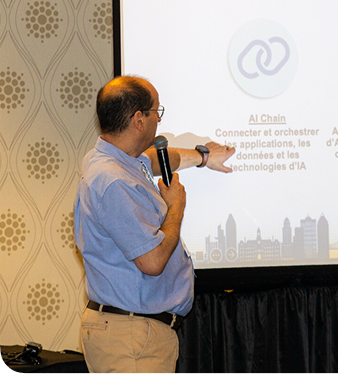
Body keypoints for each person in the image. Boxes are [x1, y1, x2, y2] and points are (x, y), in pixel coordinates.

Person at [74, 75, 234, 374]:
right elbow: (152, 261)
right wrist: (176, 207)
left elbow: (158, 159)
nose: (159, 119)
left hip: (134, 333)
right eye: (156, 112)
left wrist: (203, 158)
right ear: (139, 119)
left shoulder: (115, 160)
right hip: (132, 339)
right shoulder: (114, 181)